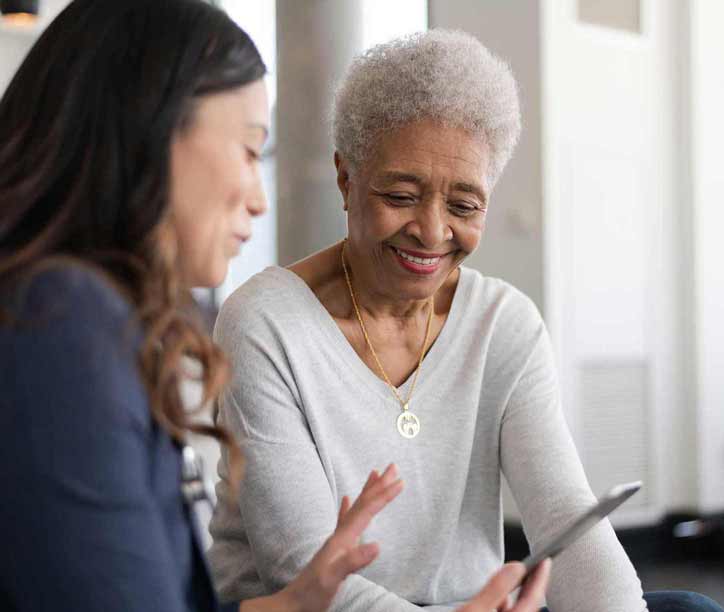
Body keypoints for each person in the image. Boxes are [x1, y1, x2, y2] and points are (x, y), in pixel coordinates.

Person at [0, 2, 551, 611]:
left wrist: (295, 602)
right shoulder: (62, 323)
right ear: (145, 138)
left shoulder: (86, 318)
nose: (261, 200)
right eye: (247, 151)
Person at [208, 29, 724, 612]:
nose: (432, 232)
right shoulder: (265, 323)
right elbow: (302, 572)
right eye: (401, 196)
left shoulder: (503, 323)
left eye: (463, 206)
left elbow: (569, 522)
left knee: (688, 609)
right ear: (346, 179)